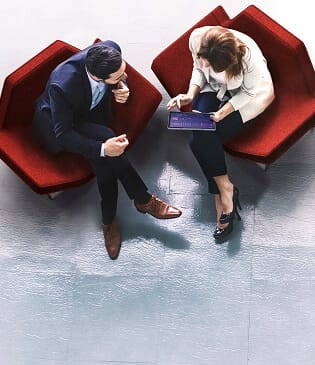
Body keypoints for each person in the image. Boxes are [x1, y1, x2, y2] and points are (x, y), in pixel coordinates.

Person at [32, 40, 182, 260]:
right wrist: (103, 149)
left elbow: (121, 78)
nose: (125, 76)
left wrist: (121, 87)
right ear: (97, 77)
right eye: (118, 77)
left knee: (106, 165)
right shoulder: (62, 86)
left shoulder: (111, 48)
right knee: (106, 147)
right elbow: (63, 135)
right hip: (65, 124)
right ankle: (141, 201)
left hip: (93, 114)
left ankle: (110, 220)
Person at [167, 26, 274, 240]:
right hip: (213, 88)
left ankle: (220, 191)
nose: (205, 64)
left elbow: (248, 92)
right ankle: (226, 188)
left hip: (247, 96)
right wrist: (189, 95)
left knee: (200, 139)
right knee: (200, 134)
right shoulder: (197, 38)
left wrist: (223, 112)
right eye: (204, 59)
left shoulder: (248, 59)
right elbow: (198, 68)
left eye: (210, 63)